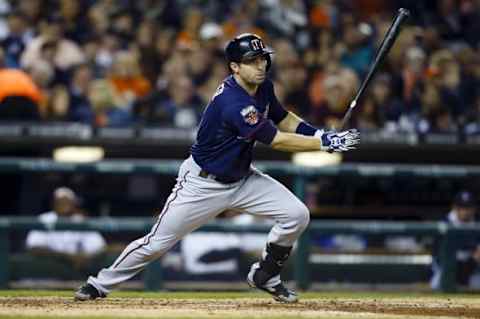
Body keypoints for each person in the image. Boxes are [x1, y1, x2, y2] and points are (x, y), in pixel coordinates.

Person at [74, 33, 359, 303]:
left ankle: (266, 274)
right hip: (202, 184)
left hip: (241, 179)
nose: (260, 66)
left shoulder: (263, 88)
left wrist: (319, 135)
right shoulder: (233, 102)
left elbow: (283, 118)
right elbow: (275, 139)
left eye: (262, 59)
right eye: (251, 61)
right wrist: (323, 144)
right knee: (156, 243)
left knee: (296, 215)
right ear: (235, 67)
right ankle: (98, 284)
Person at [25, 187, 107, 276]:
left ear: (74, 203)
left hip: (74, 271)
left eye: (68, 201)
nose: (64, 204)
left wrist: (84, 257)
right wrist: (68, 257)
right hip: (46, 271)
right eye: (61, 201)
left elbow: (100, 247)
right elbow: (33, 247)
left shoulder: (80, 221)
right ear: (54, 203)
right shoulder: (44, 219)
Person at [430, 190, 480, 290]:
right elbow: (437, 255)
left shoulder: (477, 222)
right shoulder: (445, 223)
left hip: (471, 269)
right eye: (462, 207)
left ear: (474, 208)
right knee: (437, 284)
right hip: (447, 269)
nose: (465, 211)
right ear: (455, 208)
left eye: (468, 207)